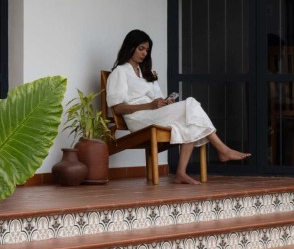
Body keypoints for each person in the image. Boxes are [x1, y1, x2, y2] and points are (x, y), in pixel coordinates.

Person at [106, 29, 249, 184]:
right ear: (131, 47)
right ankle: (222, 149)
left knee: (190, 120)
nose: (144, 53)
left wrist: (165, 102)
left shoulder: (146, 73)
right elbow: (118, 108)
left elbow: (157, 100)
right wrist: (150, 105)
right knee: (191, 104)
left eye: (147, 50)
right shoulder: (120, 72)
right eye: (141, 49)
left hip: (153, 114)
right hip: (137, 119)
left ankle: (181, 172)